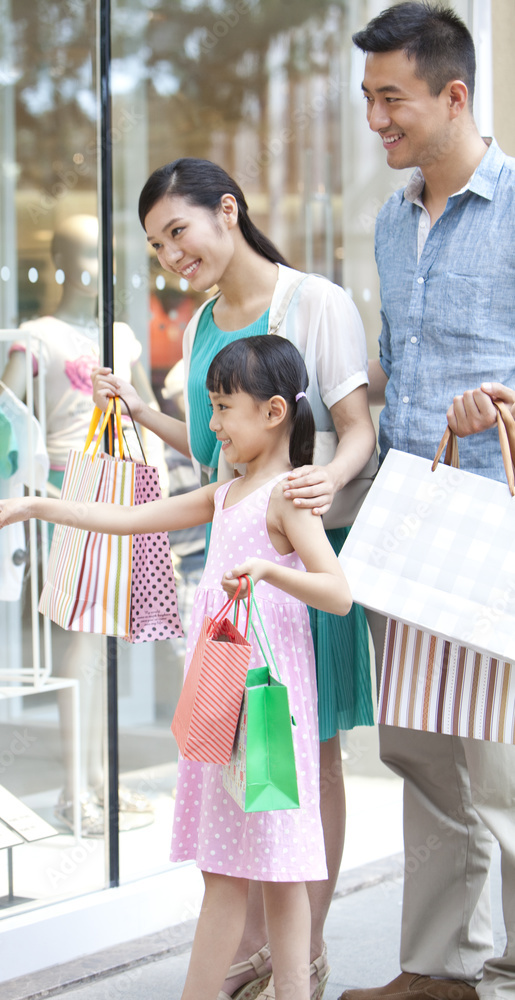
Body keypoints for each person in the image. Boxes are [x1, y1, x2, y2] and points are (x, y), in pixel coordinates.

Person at [0, 334, 353, 1000]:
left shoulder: (285, 495)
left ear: (273, 411)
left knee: (281, 871)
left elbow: (338, 593)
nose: (212, 425)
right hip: (219, 703)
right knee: (224, 868)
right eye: (212, 407)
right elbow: (126, 517)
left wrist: (267, 571)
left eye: (223, 407)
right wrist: (35, 506)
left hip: (267, 708)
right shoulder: (226, 493)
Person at [91, 157, 376, 1000]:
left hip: (301, 558)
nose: (170, 253)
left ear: (227, 210)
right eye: (154, 244)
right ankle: (265, 958)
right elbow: (219, 454)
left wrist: (326, 480)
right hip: (244, 569)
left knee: (304, 762)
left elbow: (355, 427)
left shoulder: (316, 301)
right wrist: (143, 411)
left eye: (177, 230)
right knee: (244, 768)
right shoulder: (200, 325)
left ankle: (304, 952)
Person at [345, 6, 515, 1000]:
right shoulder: (387, 224)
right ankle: (441, 967)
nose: (376, 119)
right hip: (408, 513)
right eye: (367, 99)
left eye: (391, 98)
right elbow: (398, 361)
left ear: (453, 96)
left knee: (495, 756)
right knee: (415, 742)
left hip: (493, 519)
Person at [1, 214, 157, 837]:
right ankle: (75, 789)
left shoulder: (119, 334)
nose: (97, 270)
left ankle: (97, 781)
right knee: (83, 636)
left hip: (121, 491)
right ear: (62, 262)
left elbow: (142, 412)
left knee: (104, 639)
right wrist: (31, 481)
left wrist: (158, 484)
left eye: (103, 256)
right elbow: (2, 409)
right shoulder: (36, 336)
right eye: (86, 256)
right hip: (70, 488)